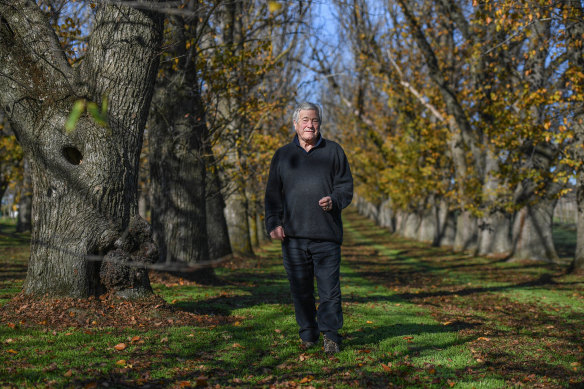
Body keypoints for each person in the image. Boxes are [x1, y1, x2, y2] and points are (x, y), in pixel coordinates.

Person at [264, 101, 353, 355]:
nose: (309, 125)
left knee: (329, 291)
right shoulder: (282, 155)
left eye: (314, 120)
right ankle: (308, 334)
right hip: (293, 237)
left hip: (326, 235)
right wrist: (273, 223)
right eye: (305, 120)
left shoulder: (334, 151)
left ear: (320, 124)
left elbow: (346, 188)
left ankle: (331, 336)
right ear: (295, 124)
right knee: (300, 290)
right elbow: (272, 195)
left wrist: (334, 200)